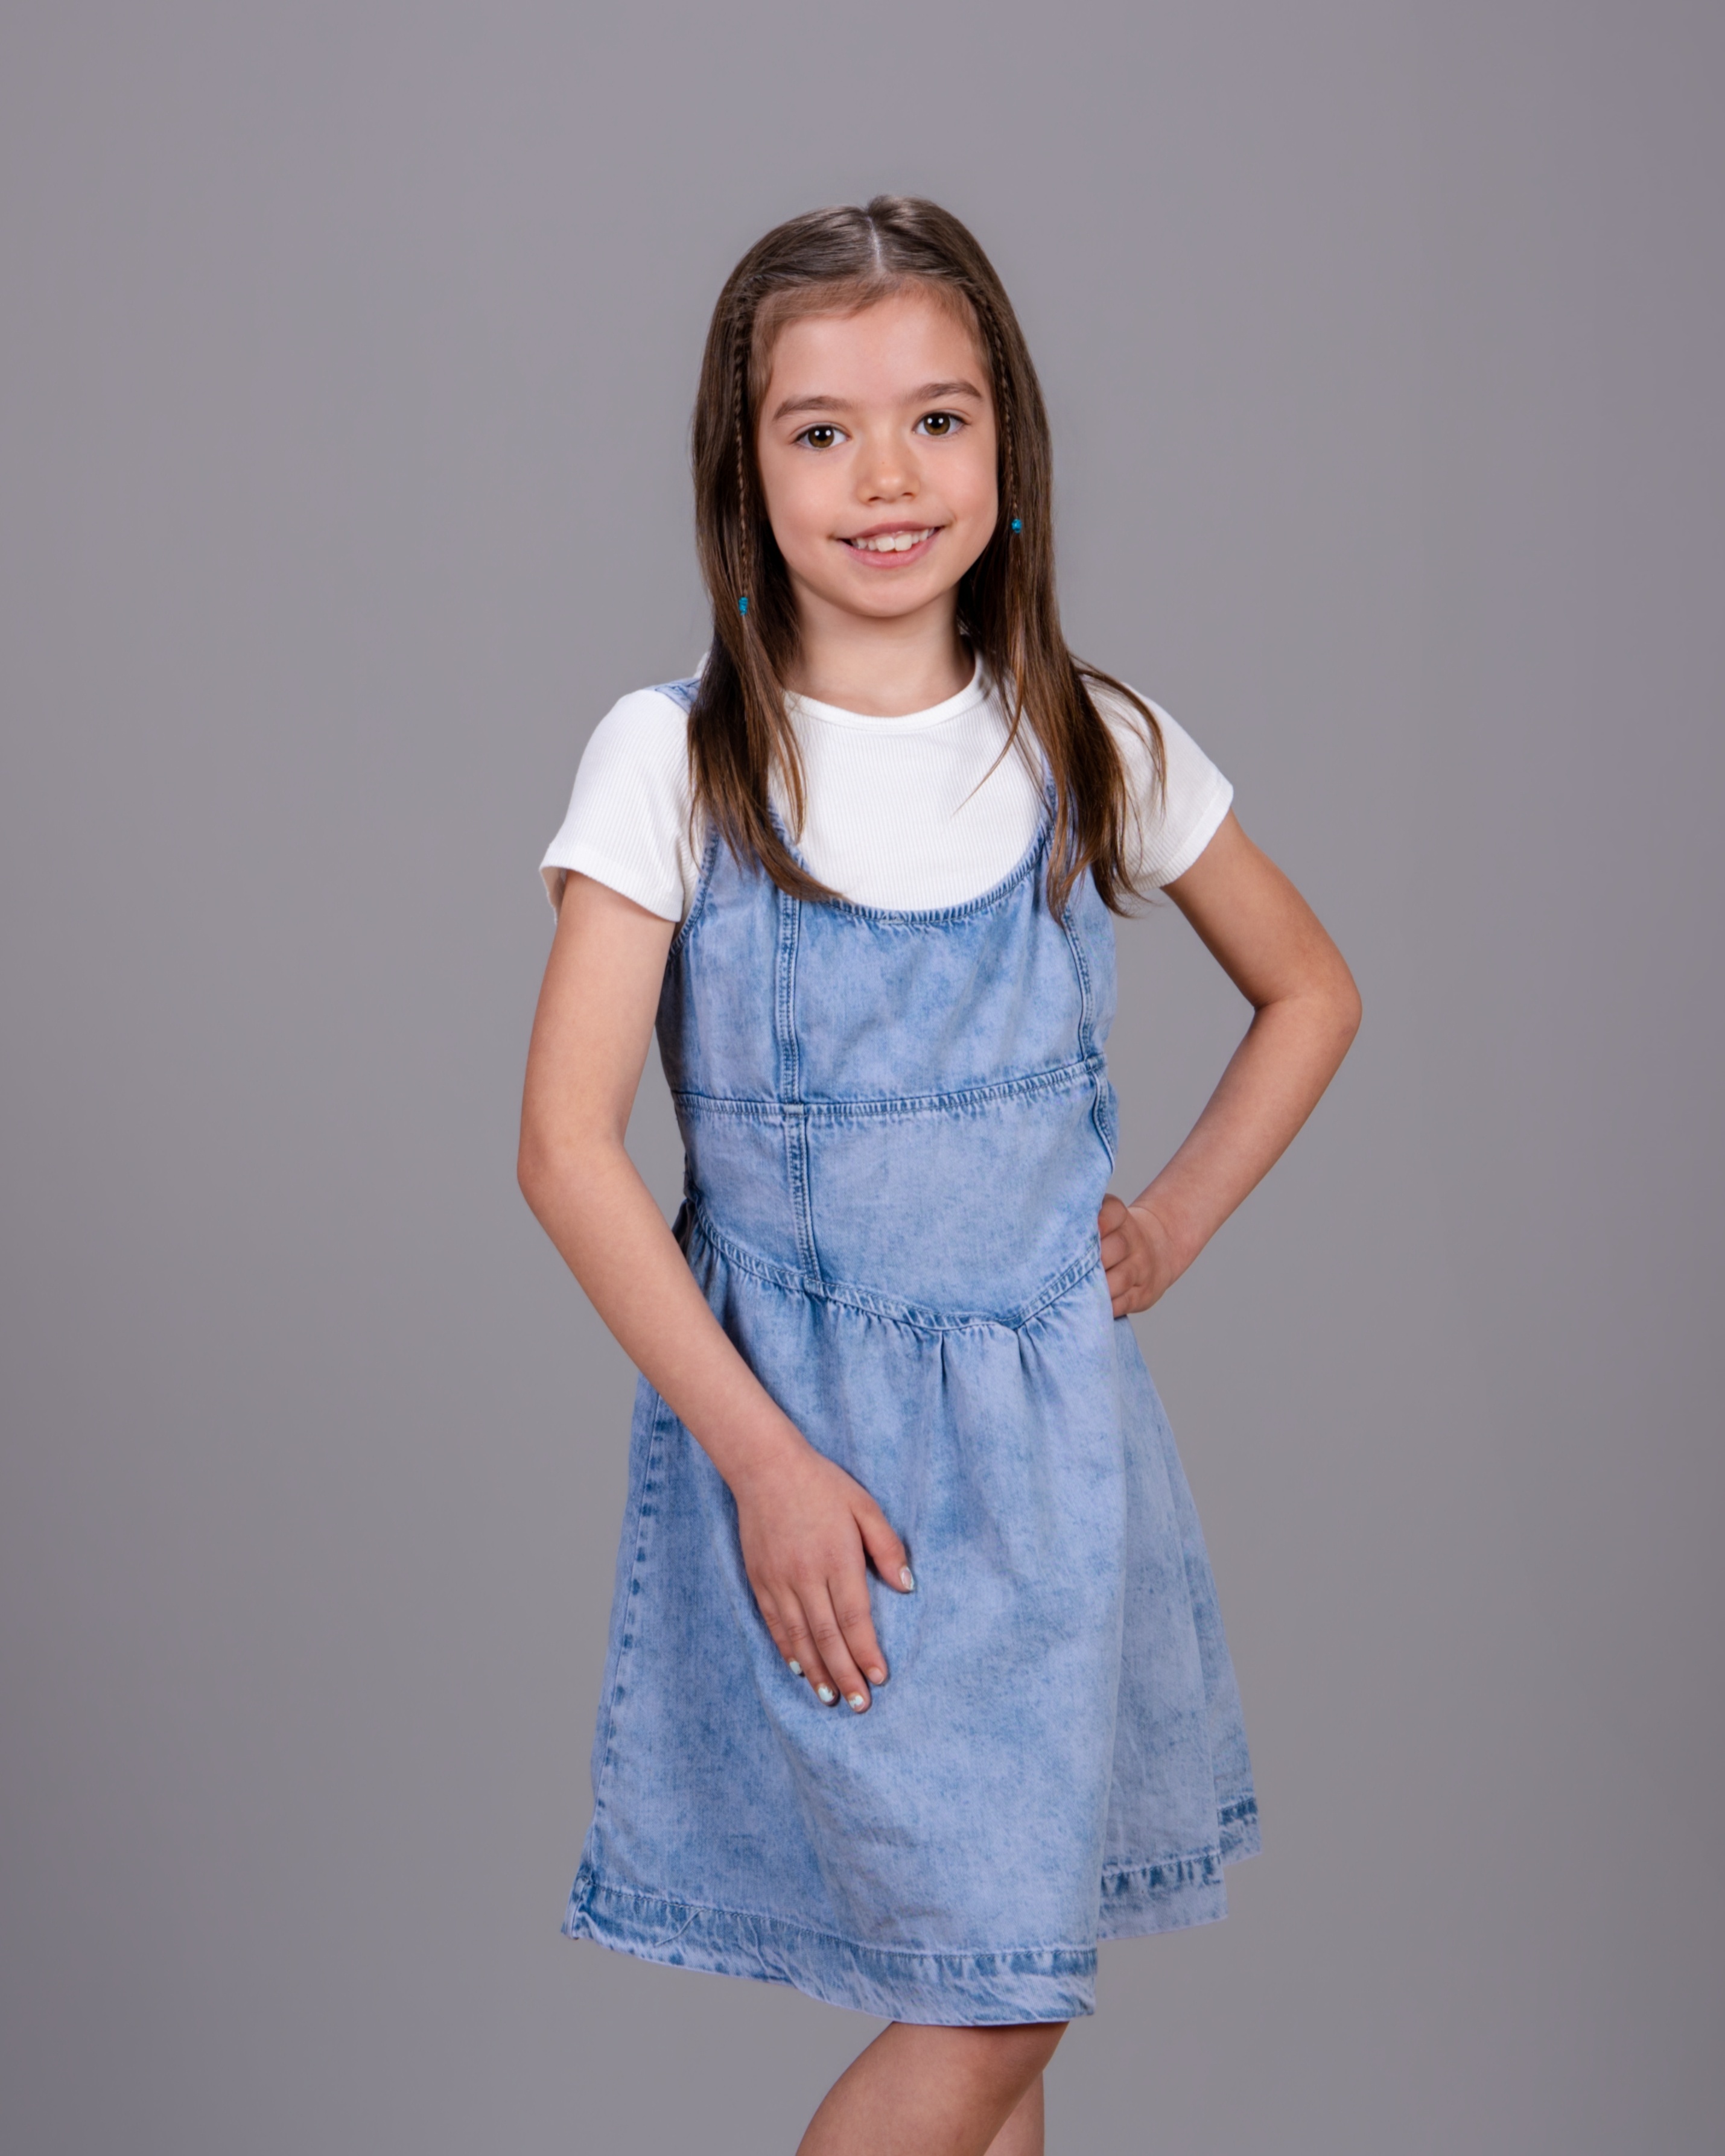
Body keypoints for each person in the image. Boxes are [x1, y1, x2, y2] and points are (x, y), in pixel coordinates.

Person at [518, 195, 1360, 2156]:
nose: (886, 477)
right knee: (991, 2004)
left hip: (1052, 1475)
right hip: (819, 1467)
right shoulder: (676, 761)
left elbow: (1310, 991)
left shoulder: (1089, 740)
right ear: (744, 472)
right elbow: (565, 1151)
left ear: (1008, 445)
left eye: (937, 420)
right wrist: (764, 1466)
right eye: (821, 431)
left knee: (999, 1996)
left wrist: (1167, 1221)